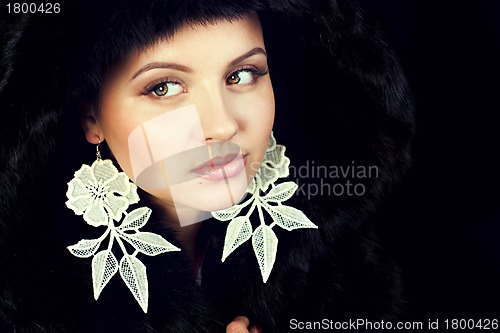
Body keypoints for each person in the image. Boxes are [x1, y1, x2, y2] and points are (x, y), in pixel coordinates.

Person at [0, 0, 414, 332]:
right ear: (90, 117)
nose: (222, 124)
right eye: (163, 87)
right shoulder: (25, 295)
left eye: (242, 75)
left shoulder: (337, 260)